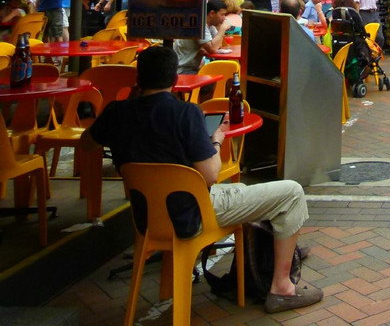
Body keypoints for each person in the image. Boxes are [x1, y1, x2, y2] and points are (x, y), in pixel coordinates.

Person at [80, 45, 323, 314]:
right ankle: (282, 287)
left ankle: (277, 251)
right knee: (291, 192)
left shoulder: (116, 113)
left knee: (243, 191)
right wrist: (216, 142)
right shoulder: (186, 114)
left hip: (147, 219)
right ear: (174, 80)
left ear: (138, 79)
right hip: (194, 214)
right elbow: (210, 173)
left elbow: (87, 144)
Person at [174, 0, 229, 75]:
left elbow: (218, 46)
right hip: (182, 70)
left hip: (191, 68)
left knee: (217, 75)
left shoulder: (210, 26)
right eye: (222, 14)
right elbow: (213, 49)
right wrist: (223, 29)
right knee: (213, 78)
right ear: (212, 13)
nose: (224, 18)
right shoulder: (199, 25)